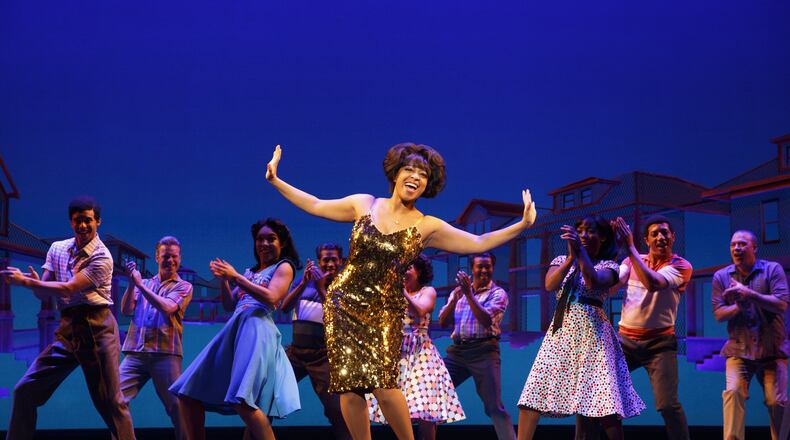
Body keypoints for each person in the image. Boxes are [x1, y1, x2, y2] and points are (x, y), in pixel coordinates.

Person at [265, 143, 536, 440]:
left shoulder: (427, 226)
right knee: (348, 383)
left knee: (384, 383)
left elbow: (479, 242)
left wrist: (521, 224)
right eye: (409, 169)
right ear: (395, 174)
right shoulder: (364, 204)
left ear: (427, 184)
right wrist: (277, 181)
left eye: (423, 174)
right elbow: (315, 204)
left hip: (383, 311)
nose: (415, 177)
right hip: (343, 305)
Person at [1, 196, 136, 440]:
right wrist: (33, 282)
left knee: (111, 403)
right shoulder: (57, 249)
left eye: (88, 220)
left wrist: (26, 281)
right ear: (71, 222)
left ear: (98, 222)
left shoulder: (102, 257)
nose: (83, 226)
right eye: (77, 221)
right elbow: (44, 291)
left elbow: (67, 288)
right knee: (25, 391)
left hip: (97, 330)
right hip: (68, 330)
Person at [169, 218, 301, 440]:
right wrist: (224, 280)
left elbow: (272, 299)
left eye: (271, 239)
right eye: (260, 239)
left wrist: (235, 277)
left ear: (282, 243)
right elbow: (230, 305)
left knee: (242, 399)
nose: (265, 244)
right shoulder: (249, 271)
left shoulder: (284, 267)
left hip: (258, 331)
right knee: (187, 393)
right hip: (236, 330)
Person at [516, 217, 644, 440]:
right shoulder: (561, 260)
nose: (583, 235)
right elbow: (549, 285)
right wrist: (571, 258)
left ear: (602, 237)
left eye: (589, 231)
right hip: (561, 334)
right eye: (579, 231)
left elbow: (593, 281)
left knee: (603, 404)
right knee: (532, 396)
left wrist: (580, 254)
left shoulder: (609, 266)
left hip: (593, 336)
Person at [367, 254, 465, 440]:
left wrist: (400, 290)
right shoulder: (390, 294)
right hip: (396, 353)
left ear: (419, 271)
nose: (403, 273)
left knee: (425, 409)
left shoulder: (428, 291)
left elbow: (420, 311)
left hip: (421, 354)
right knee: (397, 408)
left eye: (408, 268)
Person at [610, 216, 692, 440]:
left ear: (673, 237)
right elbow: (610, 287)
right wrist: (613, 252)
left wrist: (630, 248)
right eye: (654, 234)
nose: (660, 237)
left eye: (665, 232)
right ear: (646, 240)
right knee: (602, 395)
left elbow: (653, 283)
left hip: (660, 345)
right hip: (625, 342)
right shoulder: (630, 262)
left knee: (667, 405)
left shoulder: (680, 266)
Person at [712, 230, 788, 440]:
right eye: (733, 245)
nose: (737, 248)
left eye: (742, 244)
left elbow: (781, 304)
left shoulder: (772, 270)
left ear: (755, 248)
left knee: (776, 401)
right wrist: (738, 305)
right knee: (733, 392)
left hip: (772, 349)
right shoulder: (722, 276)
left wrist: (750, 294)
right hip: (739, 349)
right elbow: (719, 314)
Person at [119, 236, 193, 440]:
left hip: (165, 354)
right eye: (165, 256)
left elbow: (168, 308)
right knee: (115, 399)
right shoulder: (144, 282)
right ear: (156, 257)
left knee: (177, 407)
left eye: (174, 257)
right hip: (136, 352)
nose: (170, 261)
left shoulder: (184, 286)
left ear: (180, 258)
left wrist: (139, 285)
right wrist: (132, 283)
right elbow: (126, 310)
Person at [439, 252, 517, 440]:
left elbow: (485, 319)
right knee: (434, 390)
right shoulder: (458, 292)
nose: (484, 270)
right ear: (472, 269)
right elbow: (442, 322)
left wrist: (469, 295)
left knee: (493, 406)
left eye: (488, 266)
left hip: (484, 351)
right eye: (479, 266)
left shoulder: (498, 293)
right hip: (457, 352)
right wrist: (455, 300)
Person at [280, 242, 351, 439]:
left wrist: (321, 289)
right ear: (319, 262)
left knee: (336, 410)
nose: (329, 264)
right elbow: (284, 307)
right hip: (296, 353)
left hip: (323, 357)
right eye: (325, 260)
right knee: (267, 396)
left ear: (341, 261)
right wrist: (303, 283)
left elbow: (337, 320)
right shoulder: (305, 283)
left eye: (333, 259)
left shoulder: (344, 286)